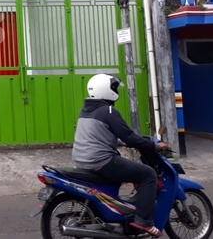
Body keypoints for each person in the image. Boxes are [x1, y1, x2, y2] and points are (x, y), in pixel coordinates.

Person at [72, 73, 169, 238]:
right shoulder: (108, 111)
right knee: (148, 174)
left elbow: (95, 134)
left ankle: (120, 214)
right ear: (106, 90)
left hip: (82, 160)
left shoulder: (86, 110)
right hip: (102, 161)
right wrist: (155, 146)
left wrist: (119, 142)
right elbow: (130, 136)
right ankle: (143, 221)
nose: (116, 91)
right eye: (114, 87)